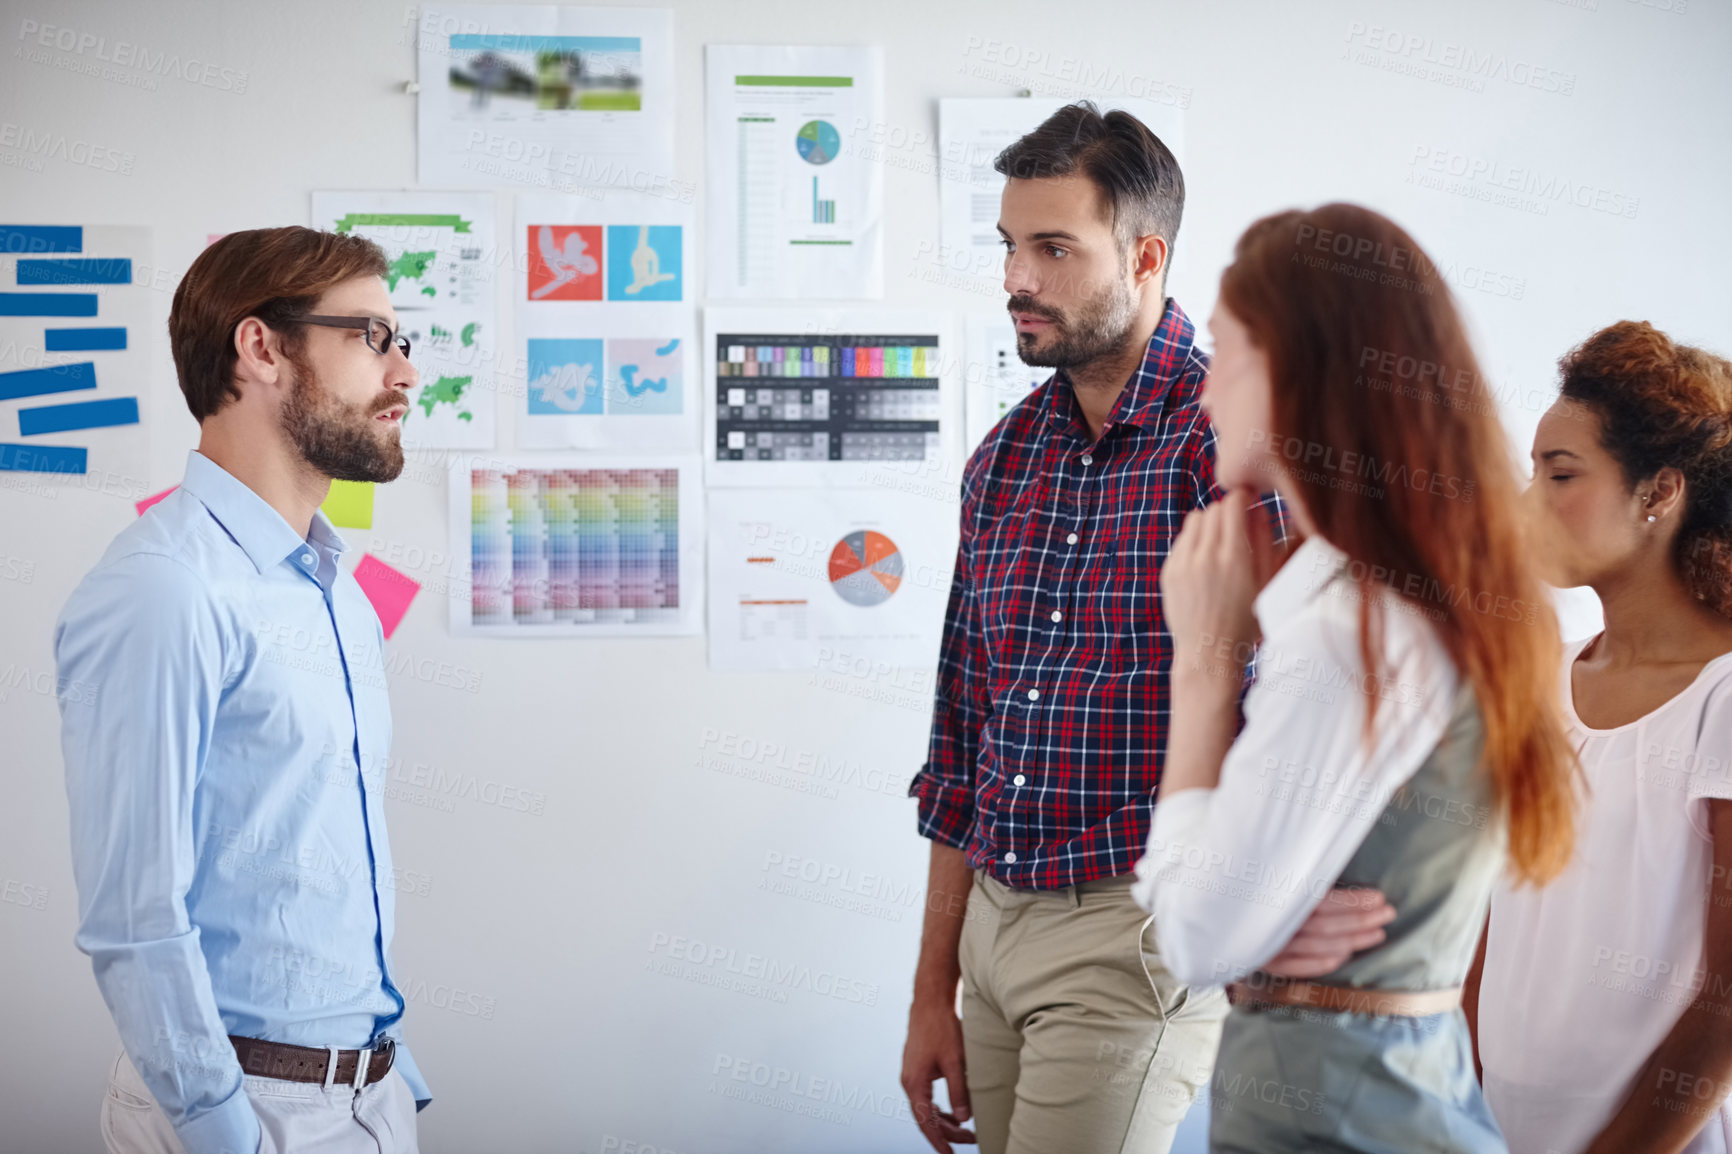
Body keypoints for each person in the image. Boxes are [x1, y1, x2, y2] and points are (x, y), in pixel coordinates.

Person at [1131, 202, 1577, 1152]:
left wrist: (1205, 668)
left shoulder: (1352, 634)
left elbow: (1197, 938)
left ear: (1294, 370)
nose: (1205, 395)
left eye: (1225, 353)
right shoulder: (1425, 604)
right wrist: (1256, 935)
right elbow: (1234, 925)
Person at [900, 102, 1287, 1154]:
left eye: (1053, 249)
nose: (1016, 279)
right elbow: (960, 738)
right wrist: (931, 986)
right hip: (993, 917)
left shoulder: (1236, 454)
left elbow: (1300, 731)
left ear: (1144, 255)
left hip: (1136, 927)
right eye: (1010, 247)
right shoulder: (1004, 458)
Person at [55, 227, 429, 1154]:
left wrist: (389, 1071)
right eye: (373, 338)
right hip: (243, 1111)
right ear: (261, 348)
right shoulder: (164, 587)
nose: (406, 375)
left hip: (369, 1094)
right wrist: (226, 1132)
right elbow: (134, 916)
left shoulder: (336, 589)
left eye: (403, 341)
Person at [1473, 322, 1732, 1152]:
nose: (1528, 504)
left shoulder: (1721, 696)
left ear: (1659, 491)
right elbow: (1491, 920)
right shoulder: (1538, 678)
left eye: (1561, 474)